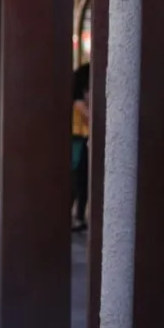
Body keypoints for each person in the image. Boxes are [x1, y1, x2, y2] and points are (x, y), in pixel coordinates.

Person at [71, 64, 91, 232]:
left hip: (80, 141)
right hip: (79, 141)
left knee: (81, 181)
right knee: (80, 180)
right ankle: (77, 216)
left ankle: (78, 215)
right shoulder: (79, 102)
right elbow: (90, 117)